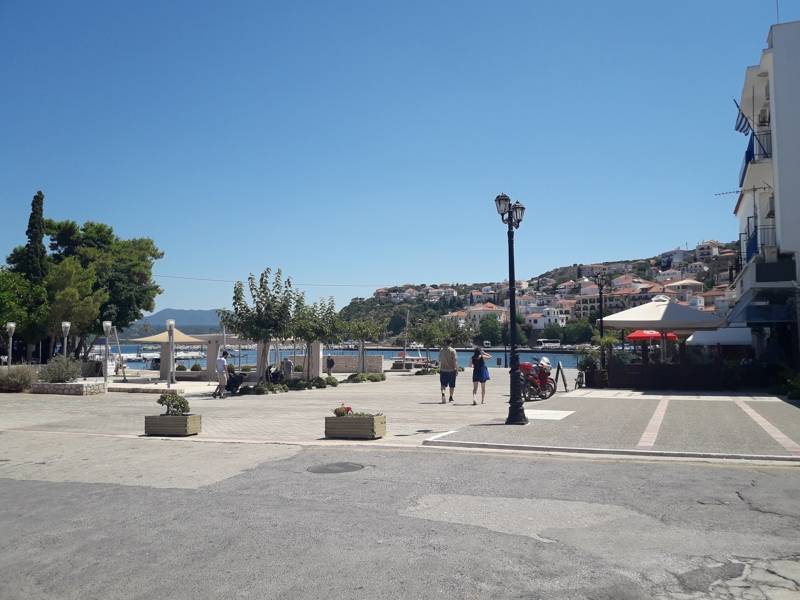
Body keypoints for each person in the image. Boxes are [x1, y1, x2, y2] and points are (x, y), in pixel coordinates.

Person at [438, 339, 458, 404]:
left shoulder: (441, 350)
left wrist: (439, 369)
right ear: (450, 343)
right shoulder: (453, 350)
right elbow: (454, 361)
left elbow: (439, 361)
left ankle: (443, 393)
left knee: (443, 384)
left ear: (445, 343)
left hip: (443, 370)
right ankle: (450, 397)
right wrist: (456, 369)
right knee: (452, 385)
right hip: (451, 370)